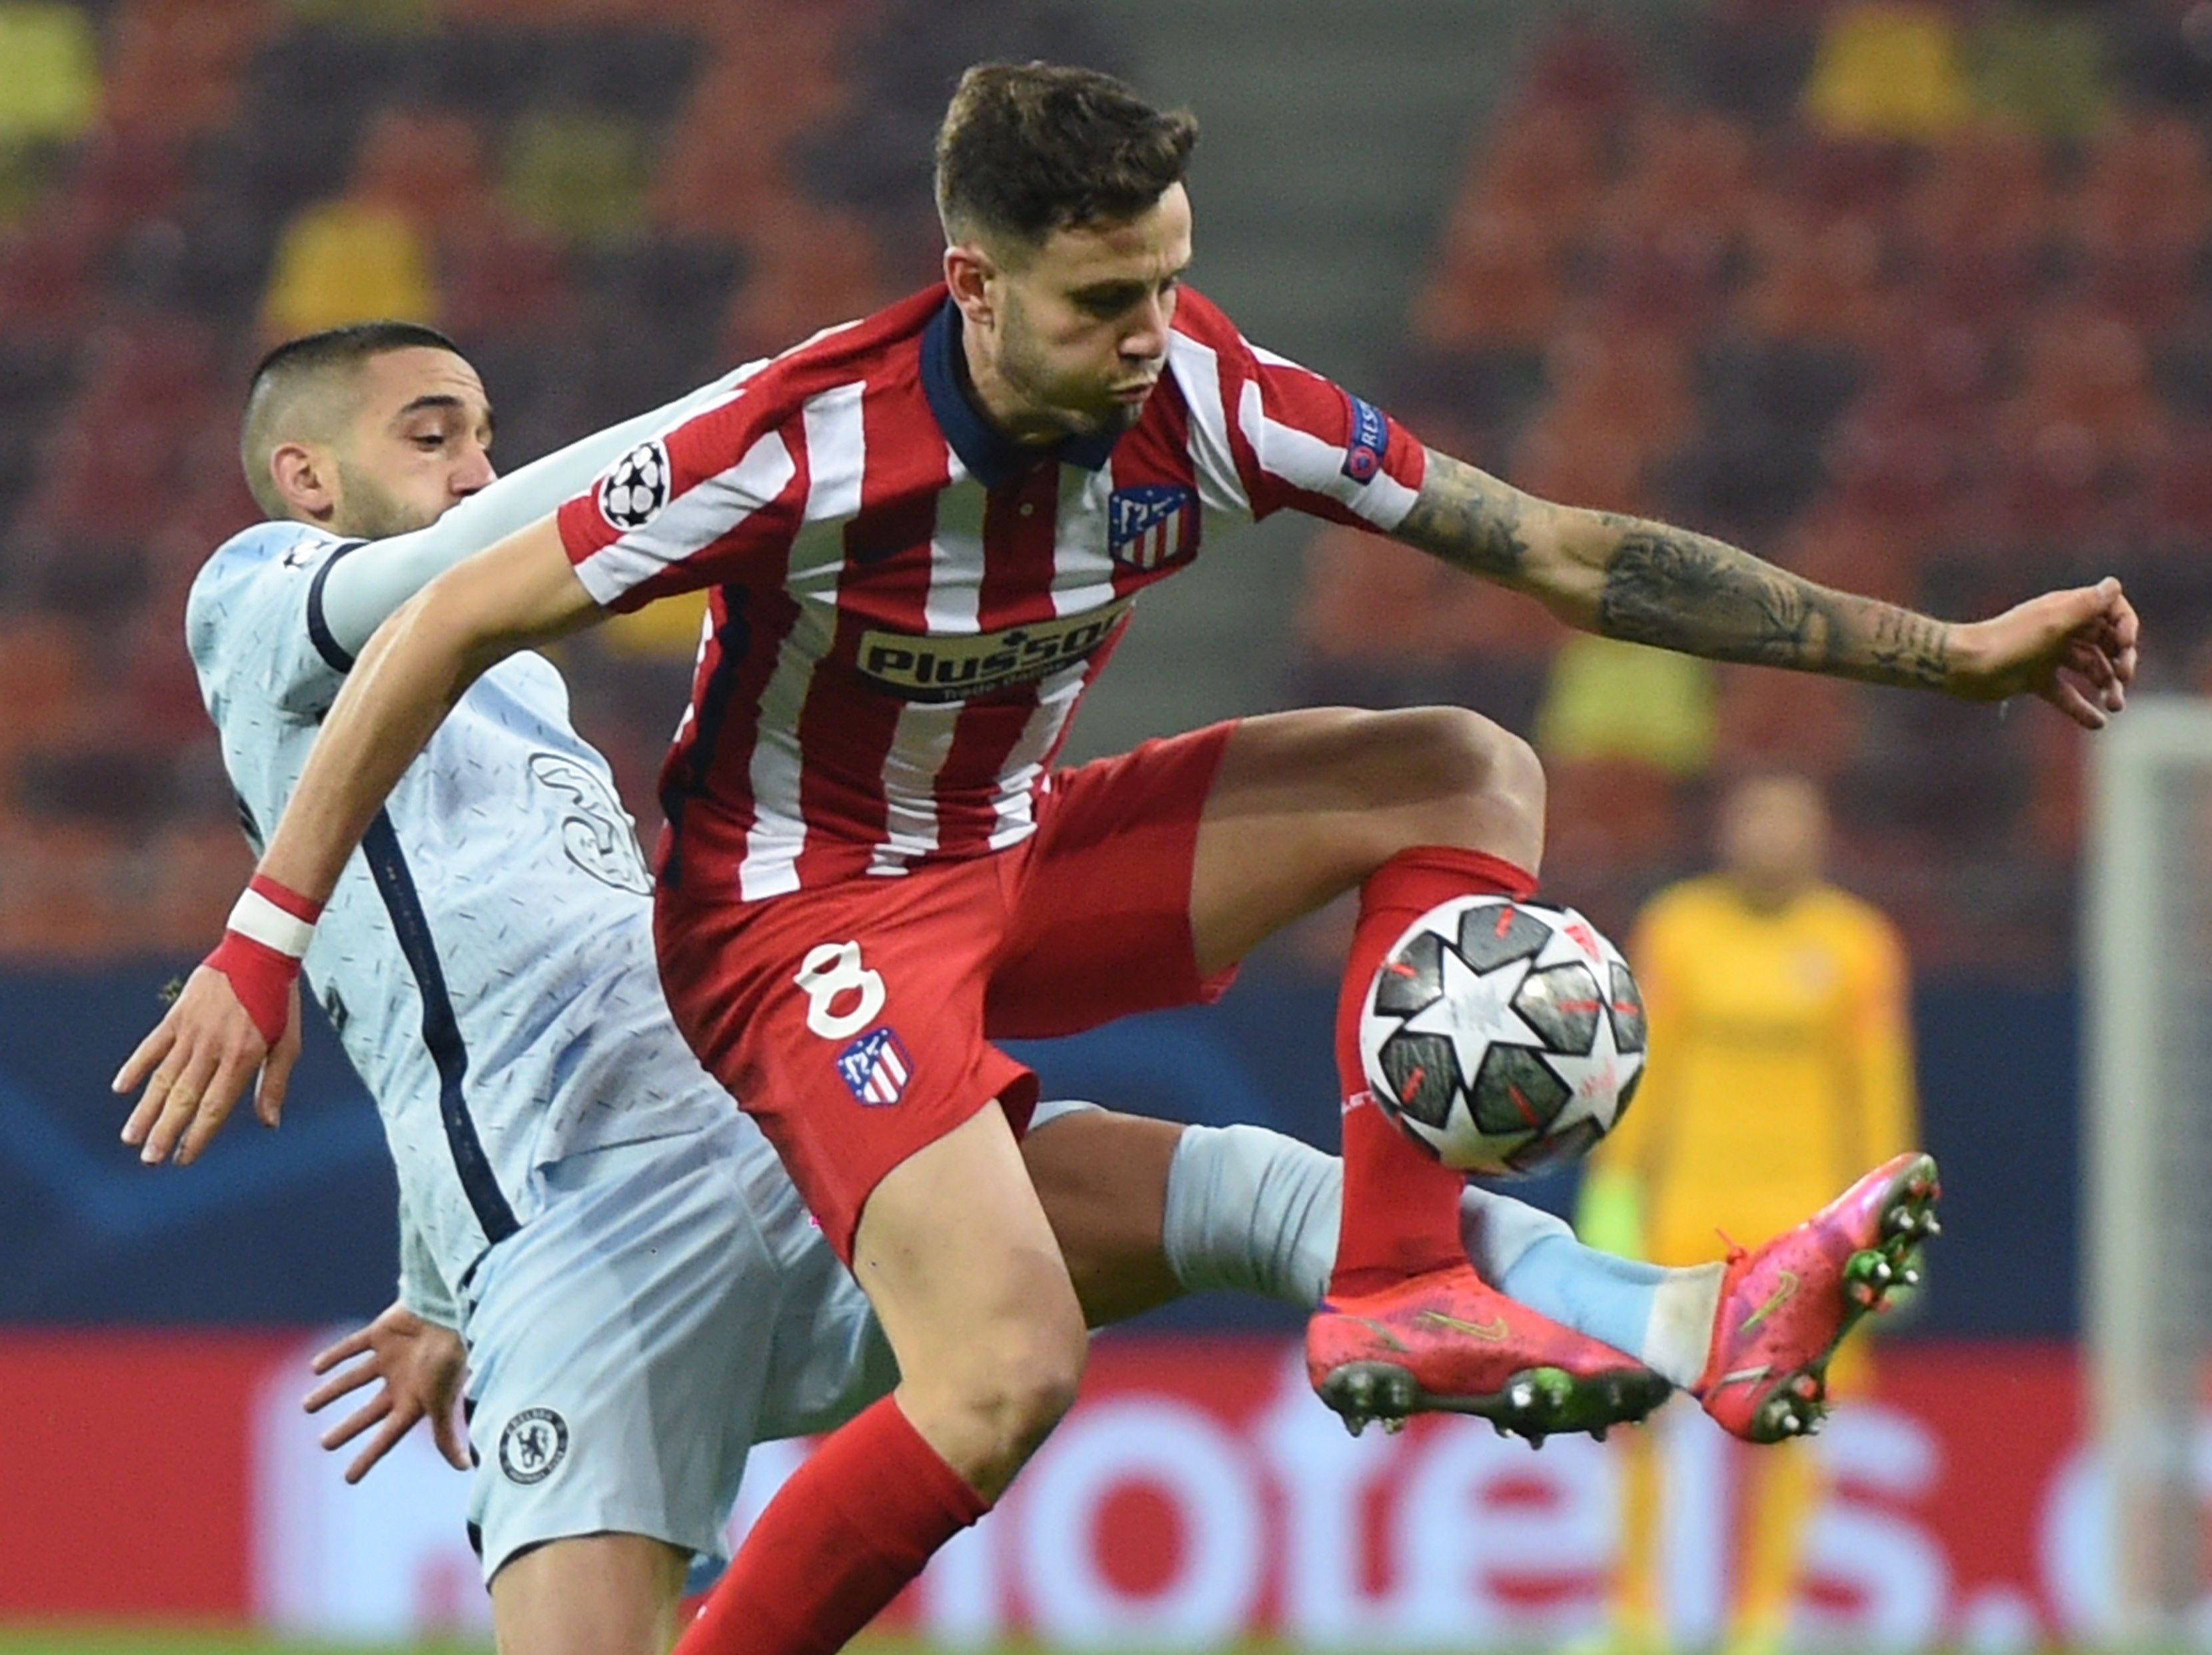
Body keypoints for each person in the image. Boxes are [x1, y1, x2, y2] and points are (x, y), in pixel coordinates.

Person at [117, 65, 2127, 1655]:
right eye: (1106, 301)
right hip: (803, 932)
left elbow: (1569, 552)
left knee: (1457, 768)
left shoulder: (1213, 399)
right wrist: (258, 942)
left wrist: (1943, 655)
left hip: (988, 879)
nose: (1153, 333)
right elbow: (445, 618)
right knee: (1005, 1365)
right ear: (976, 286)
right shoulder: (785, 443)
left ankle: (1448, 1285)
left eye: (1170, 279)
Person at [148, 319, 1778, 1655]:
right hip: (585, 1240)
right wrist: (741, 422)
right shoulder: (261, 596)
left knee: (1214, 1195)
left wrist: (428, 1287)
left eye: (486, 434)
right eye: (433, 436)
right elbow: (416, 967)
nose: (478, 468)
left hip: (768, 1137)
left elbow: (429, 993)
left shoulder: (512, 675)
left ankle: (1663, 1309)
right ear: (306, 475)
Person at [1578, 773, 1923, 1655]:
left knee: (1789, 1422)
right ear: (1728, 832)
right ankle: (1634, 1615)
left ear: (1819, 837)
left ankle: (1762, 1623)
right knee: (1638, 1409)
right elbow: (1642, 1070)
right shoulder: (1677, 928)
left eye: (1788, 822)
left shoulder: (1858, 944)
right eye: (1756, 820)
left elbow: (1877, 1092)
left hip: (1804, 1225)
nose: (1770, 838)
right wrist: (1614, 1190)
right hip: (1683, 1209)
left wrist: (1894, 1216)